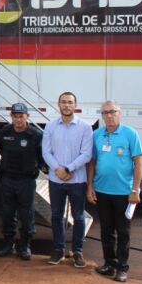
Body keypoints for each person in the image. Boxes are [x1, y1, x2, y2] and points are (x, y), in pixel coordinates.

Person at [88, 100, 142, 283]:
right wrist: (90, 186)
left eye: (112, 112)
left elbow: (138, 162)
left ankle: (122, 268)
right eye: (105, 113)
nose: (109, 116)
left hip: (123, 193)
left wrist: (135, 189)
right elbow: (92, 163)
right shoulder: (96, 134)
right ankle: (109, 264)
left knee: (123, 232)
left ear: (120, 113)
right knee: (106, 230)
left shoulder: (130, 134)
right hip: (102, 191)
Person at [42, 91, 93, 268]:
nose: (66, 105)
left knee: (78, 216)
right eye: (63, 102)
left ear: (75, 105)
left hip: (77, 179)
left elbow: (86, 154)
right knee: (56, 215)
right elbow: (46, 152)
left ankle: (77, 252)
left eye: (70, 102)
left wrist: (69, 168)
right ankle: (58, 250)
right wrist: (58, 169)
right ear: (58, 105)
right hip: (56, 179)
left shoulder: (85, 128)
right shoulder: (50, 126)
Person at [0, 103, 44, 260]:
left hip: (26, 180)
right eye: (15, 116)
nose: (18, 119)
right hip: (8, 178)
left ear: (27, 117)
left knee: (26, 214)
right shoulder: (5, 132)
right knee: (7, 213)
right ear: (11, 117)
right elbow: (2, 151)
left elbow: (41, 157)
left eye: (21, 116)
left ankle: (25, 246)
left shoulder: (35, 135)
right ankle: (8, 244)